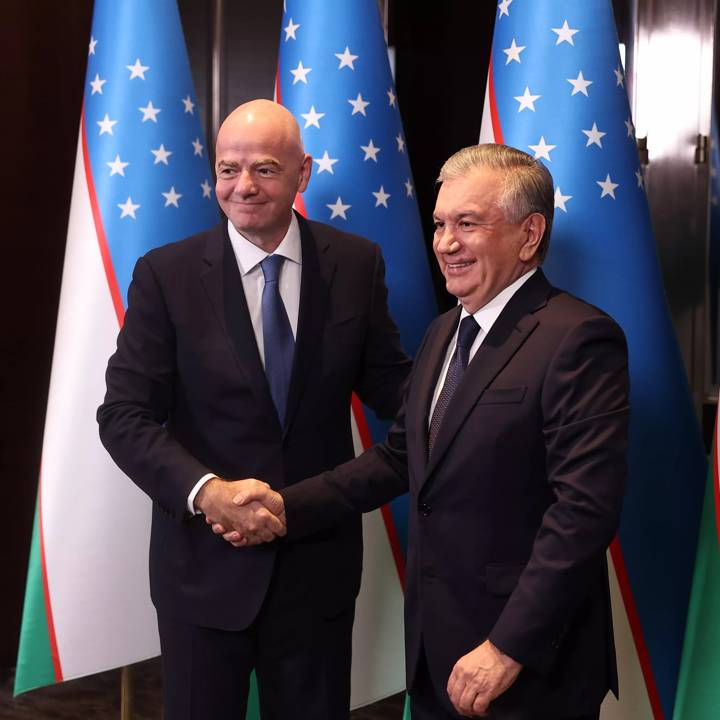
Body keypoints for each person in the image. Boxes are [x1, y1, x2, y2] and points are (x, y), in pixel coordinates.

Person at [217, 144, 630, 720]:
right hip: (438, 652)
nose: (446, 243)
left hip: (527, 663)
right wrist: (285, 505)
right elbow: (402, 458)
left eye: (468, 224)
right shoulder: (443, 333)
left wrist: (508, 646)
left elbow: (583, 512)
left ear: (530, 234)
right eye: (439, 224)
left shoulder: (579, 338)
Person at [97, 99, 411, 720]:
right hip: (204, 571)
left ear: (303, 172)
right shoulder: (167, 274)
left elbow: (394, 391)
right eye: (227, 169)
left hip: (315, 569)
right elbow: (124, 414)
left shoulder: (355, 264)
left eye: (264, 169)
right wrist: (206, 491)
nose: (243, 186)